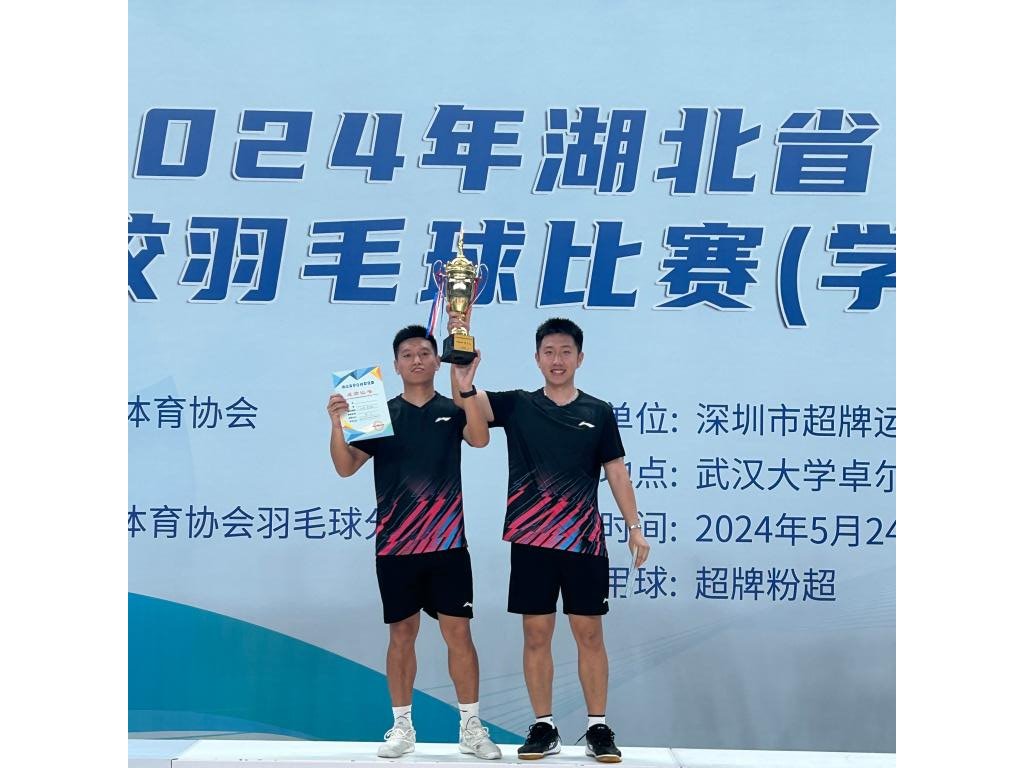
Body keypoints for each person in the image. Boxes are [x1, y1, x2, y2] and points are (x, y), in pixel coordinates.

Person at [452, 316, 651, 764]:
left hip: (584, 542)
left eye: (565, 352)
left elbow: (616, 471)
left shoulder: (598, 412)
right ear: (537, 358)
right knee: (536, 634)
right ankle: (544, 726)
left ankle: (598, 727)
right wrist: (463, 379)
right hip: (531, 540)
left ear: (580, 358)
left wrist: (634, 526)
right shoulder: (518, 404)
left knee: (589, 633)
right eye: (549, 352)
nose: (557, 360)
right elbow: (472, 409)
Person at [327, 324, 499, 760]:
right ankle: (402, 727)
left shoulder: (453, 408)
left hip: (448, 546)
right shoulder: (378, 414)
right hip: (396, 548)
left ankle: (471, 728)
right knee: (401, 635)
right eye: (408, 355)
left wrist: (466, 385)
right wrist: (337, 423)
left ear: (437, 361)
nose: (417, 360)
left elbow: (480, 439)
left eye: (424, 353)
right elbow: (346, 467)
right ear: (396, 365)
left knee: (459, 634)